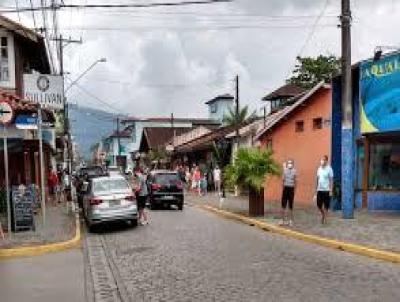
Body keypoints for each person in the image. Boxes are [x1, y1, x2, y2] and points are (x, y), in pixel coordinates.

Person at [315, 155, 334, 224]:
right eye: (321, 159)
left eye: (323, 160)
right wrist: (315, 190)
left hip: (326, 190)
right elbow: (317, 179)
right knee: (319, 205)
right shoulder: (319, 169)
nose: (322, 161)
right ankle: (323, 214)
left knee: (326, 205)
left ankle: (325, 218)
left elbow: (331, 180)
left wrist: (331, 190)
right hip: (319, 189)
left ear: (326, 161)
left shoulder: (329, 169)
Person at [280, 159, 297, 226]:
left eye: (291, 163)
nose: (290, 164)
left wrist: (294, 190)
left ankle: (291, 221)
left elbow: (295, 181)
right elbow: (283, 180)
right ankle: (282, 220)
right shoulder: (285, 170)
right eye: (289, 163)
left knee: (291, 206)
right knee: (283, 205)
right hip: (285, 189)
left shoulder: (294, 171)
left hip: (291, 189)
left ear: (293, 164)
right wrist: (283, 188)